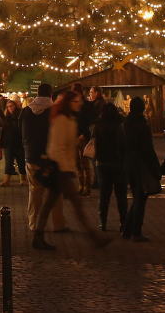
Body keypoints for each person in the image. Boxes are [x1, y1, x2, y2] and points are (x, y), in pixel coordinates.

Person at [32, 91, 109, 251]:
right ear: (69, 102)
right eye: (76, 101)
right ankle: (94, 237)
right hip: (60, 169)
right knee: (76, 203)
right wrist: (66, 168)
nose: (79, 104)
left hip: (62, 168)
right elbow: (58, 147)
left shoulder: (68, 118)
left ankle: (38, 236)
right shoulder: (62, 119)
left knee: (50, 203)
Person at [22, 82, 66, 234]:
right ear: (51, 95)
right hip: (52, 157)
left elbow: (23, 134)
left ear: (37, 94)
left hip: (32, 156)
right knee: (55, 191)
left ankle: (34, 223)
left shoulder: (27, 111)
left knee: (35, 191)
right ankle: (58, 224)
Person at [120, 96, 158, 241]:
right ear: (142, 109)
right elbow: (148, 149)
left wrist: (123, 164)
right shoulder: (143, 126)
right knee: (140, 198)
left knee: (137, 198)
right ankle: (136, 232)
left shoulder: (124, 125)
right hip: (141, 164)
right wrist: (154, 167)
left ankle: (127, 230)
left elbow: (120, 148)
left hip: (128, 164)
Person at [92, 103, 127, 231]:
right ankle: (123, 222)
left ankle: (103, 222)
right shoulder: (121, 124)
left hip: (102, 163)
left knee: (104, 195)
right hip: (119, 163)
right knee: (121, 195)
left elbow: (94, 141)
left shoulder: (98, 125)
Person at [0, 99, 25, 187]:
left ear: (15, 106)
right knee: (8, 162)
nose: (10, 108)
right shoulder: (6, 117)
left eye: (12, 106)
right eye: (8, 107)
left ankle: (23, 179)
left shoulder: (19, 116)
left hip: (18, 142)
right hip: (8, 143)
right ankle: (7, 180)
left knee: (21, 161)